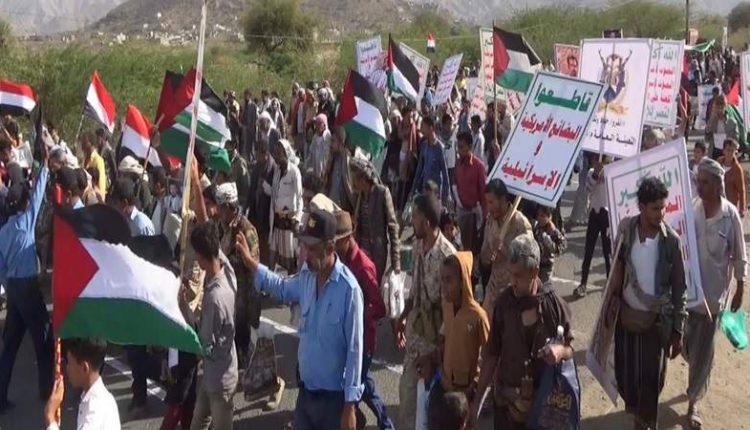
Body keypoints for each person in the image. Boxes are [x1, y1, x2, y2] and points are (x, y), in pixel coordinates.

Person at [236, 209, 364, 430]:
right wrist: (251, 263)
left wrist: (350, 407)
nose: (306, 254)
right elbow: (282, 287)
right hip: (306, 396)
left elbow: (355, 351)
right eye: (305, 246)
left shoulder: (349, 290)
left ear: (330, 248)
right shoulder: (307, 276)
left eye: (313, 249)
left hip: (333, 402)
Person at [469, 235, 574, 430]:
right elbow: (491, 355)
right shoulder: (503, 304)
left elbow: (569, 349)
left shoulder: (553, 306)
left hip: (541, 409)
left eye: (518, 275)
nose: (513, 281)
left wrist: (559, 351)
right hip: (507, 407)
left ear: (535, 272)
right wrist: (477, 403)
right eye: (511, 274)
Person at [611, 177, 686, 430]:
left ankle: (644, 424)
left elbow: (680, 287)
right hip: (626, 320)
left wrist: (678, 331)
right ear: (641, 207)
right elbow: (616, 271)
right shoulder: (626, 231)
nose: (661, 213)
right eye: (655, 208)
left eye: (663, 207)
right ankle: (638, 419)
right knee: (627, 378)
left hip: (655, 323)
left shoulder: (671, 241)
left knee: (651, 382)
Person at [684, 158, 746, 429]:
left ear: (718, 186)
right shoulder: (692, 209)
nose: (699, 187)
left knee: (703, 351)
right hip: (688, 295)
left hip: (714, 298)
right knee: (687, 347)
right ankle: (699, 367)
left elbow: (740, 254)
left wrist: (741, 287)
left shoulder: (730, 216)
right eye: (698, 182)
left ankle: (693, 402)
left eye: (705, 183)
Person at [393, 195, 456, 430]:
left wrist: (437, 353)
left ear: (427, 222)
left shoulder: (448, 256)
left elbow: (452, 308)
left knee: (431, 408)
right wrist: (402, 317)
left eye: (416, 216)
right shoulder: (419, 245)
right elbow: (415, 289)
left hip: (435, 345)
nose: (412, 221)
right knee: (407, 398)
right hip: (416, 336)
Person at [0, 142, 53, 412]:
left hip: (13, 289)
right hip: (28, 288)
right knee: (43, 338)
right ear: (22, 203)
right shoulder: (26, 222)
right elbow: (39, 193)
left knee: (10, 346)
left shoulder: (3, 232)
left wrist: (9, 287)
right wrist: (45, 165)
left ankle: (1, 395)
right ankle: (47, 391)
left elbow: (1, 268)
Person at [334, 210, 394, 430]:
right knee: (364, 385)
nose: (334, 246)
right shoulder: (342, 260)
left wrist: (354, 315)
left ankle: (369, 422)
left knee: (354, 387)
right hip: (347, 337)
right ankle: (382, 423)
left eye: (337, 241)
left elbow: (379, 307)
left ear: (348, 238)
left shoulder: (363, 265)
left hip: (363, 340)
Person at [187, 221, 237, 430]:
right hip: (218, 372)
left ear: (199, 256)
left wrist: (183, 308)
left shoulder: (214, 299)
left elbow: (203, 346)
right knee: (198, 422)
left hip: (219, 380)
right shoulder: (228, 271)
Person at [213, 182, 261, 369]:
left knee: (243, 337)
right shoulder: (221, 225)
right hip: (227, 290)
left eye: (219, 207)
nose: (217, 210)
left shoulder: (246, 230)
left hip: (243, 294)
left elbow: (254, 266)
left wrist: (232, 259)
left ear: (227, 207)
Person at [436, 253, 489, 400]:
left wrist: (474, 385)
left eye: (449, 280)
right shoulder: (446, 305)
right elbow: (446, 338)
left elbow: (489, 357)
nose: (444, 287)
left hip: (467, 391)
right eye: (442, 280)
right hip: (446, 384)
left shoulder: (478, 316)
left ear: (462, 281)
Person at [480, 179, 533, 323]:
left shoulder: (520, 224)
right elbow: (484, 256)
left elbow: (530, 262)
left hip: (513, 293)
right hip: (492, 291)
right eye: (487, 202)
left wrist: (505, 250)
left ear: (503, 199)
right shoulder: (490, 221)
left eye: (491, 202)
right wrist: (487, 256)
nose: (488, 207)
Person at [44, 338, 120, 430]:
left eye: (70, 363)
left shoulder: (94, 411)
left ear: (84, 368)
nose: (67, 369)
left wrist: (50, 417)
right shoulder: (105, 399)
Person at [350, 157, 401, 284]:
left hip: (377, 254)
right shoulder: (358, 196)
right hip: (362, 251)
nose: (352, 182)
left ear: (362, 178)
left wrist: (396, 263)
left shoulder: (382, 193)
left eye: (354, 178)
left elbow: (393, 227)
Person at [575, 156, 612, 298]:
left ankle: (610, 284)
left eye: (605, 161)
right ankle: (583, 283)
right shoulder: (591, 172)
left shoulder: (612, 172)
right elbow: (588, 189)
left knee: (607, 252)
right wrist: (596, 174)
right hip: (594, 214)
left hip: (607, 216)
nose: (601, 164)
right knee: (588, 251)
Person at [268, 139, 303, 273]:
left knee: (288, 260)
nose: (275, 156)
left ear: (285, 153)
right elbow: (274, 194)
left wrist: (297, 219)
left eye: (278, 153)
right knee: (273, 255)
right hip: (276, 220)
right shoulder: (277, 171)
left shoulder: (294, 172)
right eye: (275, 153)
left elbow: (299, 198)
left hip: (288, 222)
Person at [454, 131, 487, 258]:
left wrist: (484, 218)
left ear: (469, 147)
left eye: (461, 147)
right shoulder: (457, 164)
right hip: (461, 212)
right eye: (458, 147)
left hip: (474, 215)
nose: (459, 150)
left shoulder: (479, 167)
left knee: (472, 250)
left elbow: (483, 194)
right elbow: (455, 184)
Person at [247, 139, 276, 265]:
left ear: (266, 154)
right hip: (255, 211)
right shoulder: (256, 166)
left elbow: (274, 193)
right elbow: (251, 188)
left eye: (259, 155)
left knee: (264, 247)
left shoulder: (273, 169)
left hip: (266, 214)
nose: (257, 157)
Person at [412, 116, 451, 205]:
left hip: (436, 191)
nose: (421, 129)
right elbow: (419, 170)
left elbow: (445, 173)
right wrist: (413, 190)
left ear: (431, 128)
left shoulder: (439, 148)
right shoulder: (424, 146)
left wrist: (446, 194)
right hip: (425, 189)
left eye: (423, 126)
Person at [534, 205, 567, 285]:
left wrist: (549, 242)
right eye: (538, 215)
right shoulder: (537, 227)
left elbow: (562, 246)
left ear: (549, 216)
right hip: (536, 262)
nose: (539, 218)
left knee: (543, 286)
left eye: (542, 216)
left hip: (546, 265)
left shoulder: (552, 231)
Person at [324, 127, 355, 213]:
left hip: (343, 209)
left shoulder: (349, 162)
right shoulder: (332, 158)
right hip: (330, 205)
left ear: (341, 142)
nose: (331, 144)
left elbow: (350, 188)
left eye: (333, 141)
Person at [717, 138, 746, 216]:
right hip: (718, 203)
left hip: (731, 205)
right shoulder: (718, 163)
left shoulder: (737, 169)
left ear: (735, 152)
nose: (730, 153)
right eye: (728, 150)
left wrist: (742, 210)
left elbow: (741, 191)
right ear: (723, 151)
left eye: (732, 151)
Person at [705, 95, 738, 159]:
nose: (719, 110)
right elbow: (707, 137)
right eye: (717, 107)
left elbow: (736, 140)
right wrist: (712, 117)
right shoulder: (712, 121)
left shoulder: (732, 122)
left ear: (725, 107)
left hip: (727, 152)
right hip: (714, 151)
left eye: (722, 107)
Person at [81, 132, 107, 201]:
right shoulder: (84, 159)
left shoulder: (98, 161)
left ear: (90, 143)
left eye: (84, 142)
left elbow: (101, 188)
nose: (82, 145)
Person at [226, 139, 250, 211]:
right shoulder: (227, 160)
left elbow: (246, 185)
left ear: (233, 146)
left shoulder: (240, 162)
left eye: (228, 144)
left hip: (238, 201)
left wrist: (241, 204)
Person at [149, 166, 170, 235]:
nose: (148, 185)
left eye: (150, 182)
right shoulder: (155, 202)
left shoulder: (167, 206)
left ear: (157, 186)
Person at [241, 89, 259, 160]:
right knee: (245, 148)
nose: (245, 96)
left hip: (251, 130)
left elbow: (254, 119)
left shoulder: (253, 106)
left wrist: (252, 130)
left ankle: (252, 160)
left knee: (251, 147)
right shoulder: (244, 105)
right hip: (245, 129)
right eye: (245, 95)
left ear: (250, 96)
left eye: (247, 95)